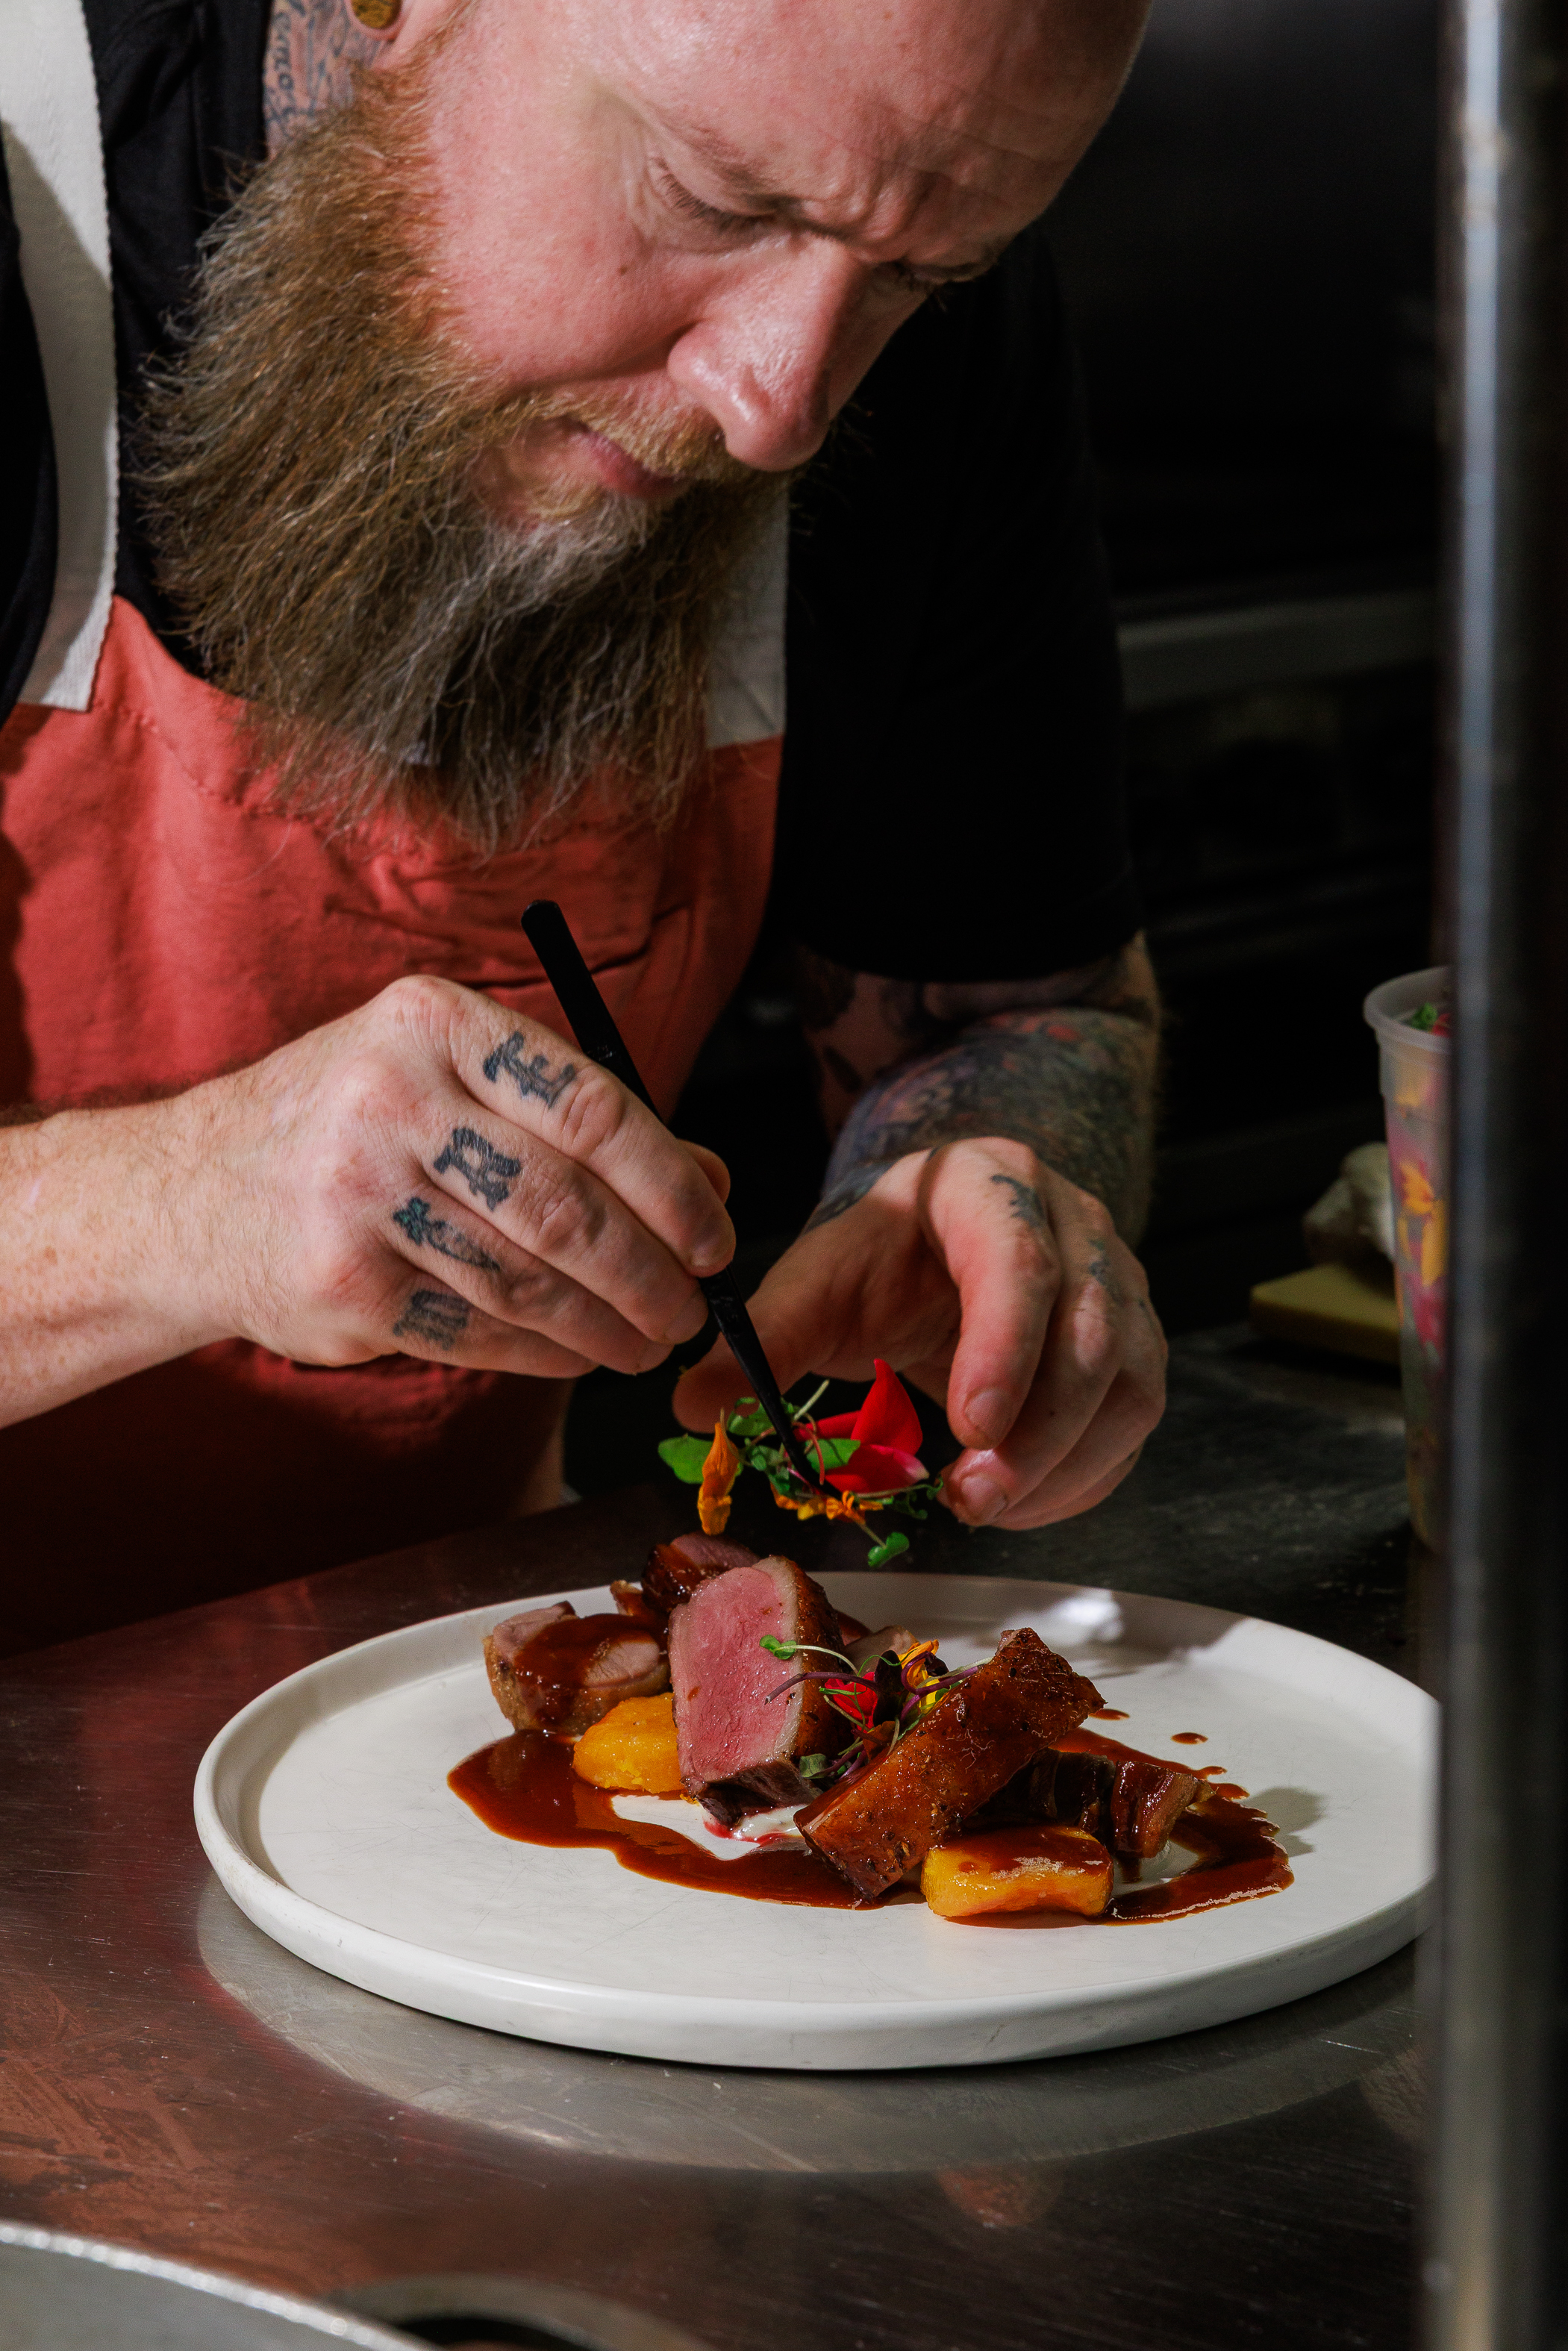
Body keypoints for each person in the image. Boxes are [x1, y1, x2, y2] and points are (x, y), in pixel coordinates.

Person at [0, 0, 1165, 1652]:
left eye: (923, 277)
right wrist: (182, 1208)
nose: (779, 407)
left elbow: (1023, 1008)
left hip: (413, 1708)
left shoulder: (885, 238)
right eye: (714, 198)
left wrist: (976, 1190)